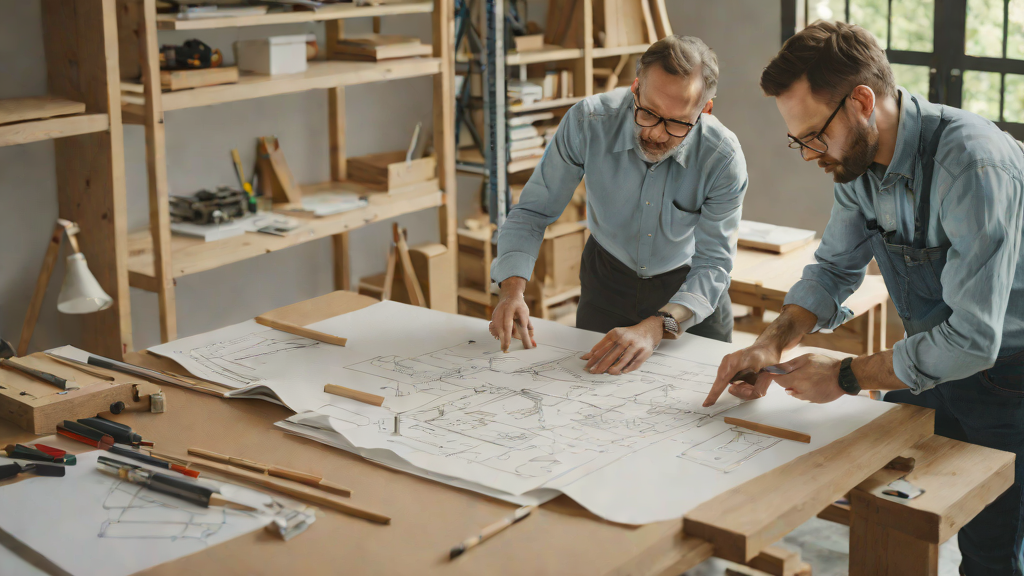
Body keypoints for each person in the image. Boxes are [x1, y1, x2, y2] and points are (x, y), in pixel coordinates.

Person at [703, 21, 1024, 575]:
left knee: (989, 552)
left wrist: (847, 374)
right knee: (888, 508)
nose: (808, 154)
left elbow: (974, 339)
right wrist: (771, 343)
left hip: (1009, 379)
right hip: (932, 362)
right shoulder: (858, 164)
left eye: (813, 135)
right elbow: (833, 269)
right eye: (798, 140)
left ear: (861, 102)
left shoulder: (971, 164)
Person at [488, 35, 748, 375]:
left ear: (705, 111)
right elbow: (533, 212)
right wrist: (511, 291)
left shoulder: (722, 157)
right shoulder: (588, 123)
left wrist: (657, 326)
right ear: (635, 87)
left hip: (689, 291)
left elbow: (713, 263)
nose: (656, 134)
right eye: (648, 113)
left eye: (676, 122)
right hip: (607, 283)